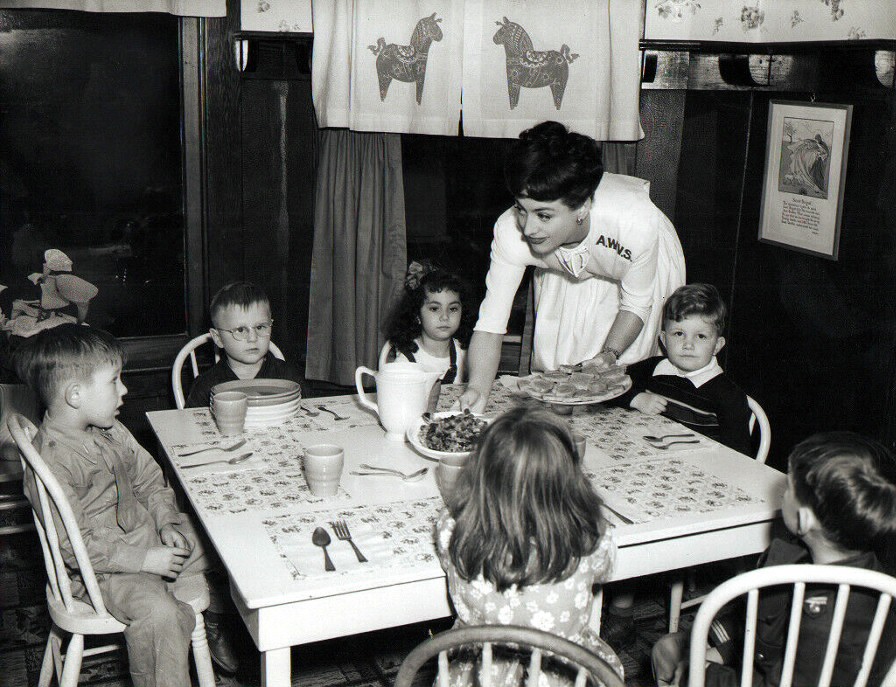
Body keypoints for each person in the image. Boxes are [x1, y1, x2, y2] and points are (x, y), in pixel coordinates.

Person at [14, 324, 240, 686]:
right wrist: (145, 559)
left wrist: (167, 522)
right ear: (75, 395)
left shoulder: (109, 429)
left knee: (228, 540)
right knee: (160, 616)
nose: (124, 390)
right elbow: (76, 548)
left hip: (147, 536)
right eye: (114, 381)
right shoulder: (52, 463)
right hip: (105, 572)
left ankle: (217, 625)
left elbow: (149, 480)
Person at [460, 120, 685, 412]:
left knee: (618, 382)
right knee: (564, 374)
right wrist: (477, 390)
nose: (528, 228)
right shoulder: (510, 231)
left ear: (582, 207)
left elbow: (637, 304)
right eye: (520, 209)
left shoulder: (638, 223)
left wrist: (609, 354)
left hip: (627, 258)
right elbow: (490, 325)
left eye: (543, 215)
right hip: (562, 256)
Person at [652, 432, 896, 687]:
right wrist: (724, 654)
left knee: (669, 656)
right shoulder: (866, 572)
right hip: (773, 662)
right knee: (671, 647)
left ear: (804, 520)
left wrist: (703, 673)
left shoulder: (826, 621)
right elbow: (773, 636)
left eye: (789, 488)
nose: (782, 492)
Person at [436, 403, 624, 686]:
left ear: (481, 470)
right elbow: (603, 573)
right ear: (568, 477)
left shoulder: (452, 527)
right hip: (566, 672)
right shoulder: (591, 535)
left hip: (479, 675)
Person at [612, 283, 752, 455]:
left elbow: (738, 457)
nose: (688, 345)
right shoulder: (652, 368)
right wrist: (636, 399)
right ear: (664, 339)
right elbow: (608, 389)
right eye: (679, 334)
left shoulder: (729, 397)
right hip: (643, 458)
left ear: (717, 345)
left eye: (701, 336)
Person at [185, 281, 307, 407]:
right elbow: (190, 424)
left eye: (260, 327)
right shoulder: (206, 386)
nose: (253, 338)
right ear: (218, 338)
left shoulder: (289, 377)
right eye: (241, 330)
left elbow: (313, 413)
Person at [379, 262, 474, 383]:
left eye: (453, 309)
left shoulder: (466, 355)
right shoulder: (406, 361)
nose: (445, 317)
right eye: (434, 309)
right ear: (417, 314)